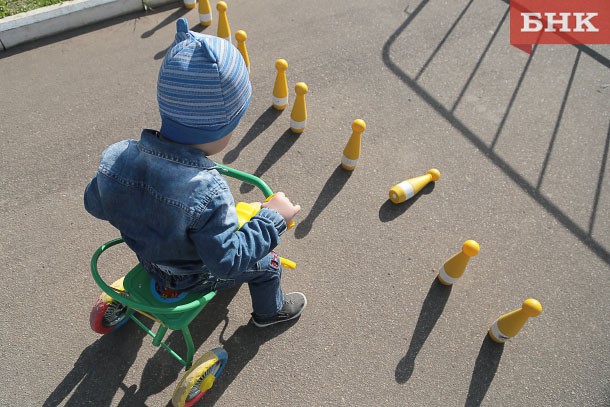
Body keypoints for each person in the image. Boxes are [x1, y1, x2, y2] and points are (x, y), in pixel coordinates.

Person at [84, 18, 305, 328]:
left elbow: (94, 204)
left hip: (148, 259)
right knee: (268, 264)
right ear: (224, 127)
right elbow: (226, 262)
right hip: (191, 275)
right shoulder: (207, 192)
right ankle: (270, 313)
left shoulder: (117, 157)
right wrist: (272, 219)